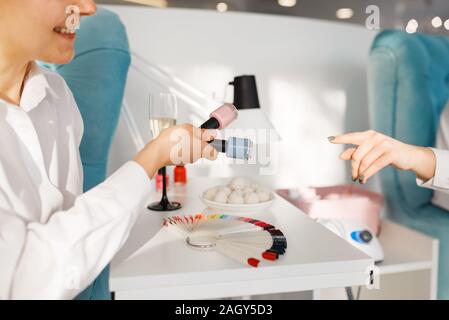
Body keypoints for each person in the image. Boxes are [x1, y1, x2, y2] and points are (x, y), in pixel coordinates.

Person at [0, 0, 218, 299]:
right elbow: (26, 284)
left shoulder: (56, 95)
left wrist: (156, 154)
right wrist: (150, 158)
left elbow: (68, 221)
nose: (88, 8)